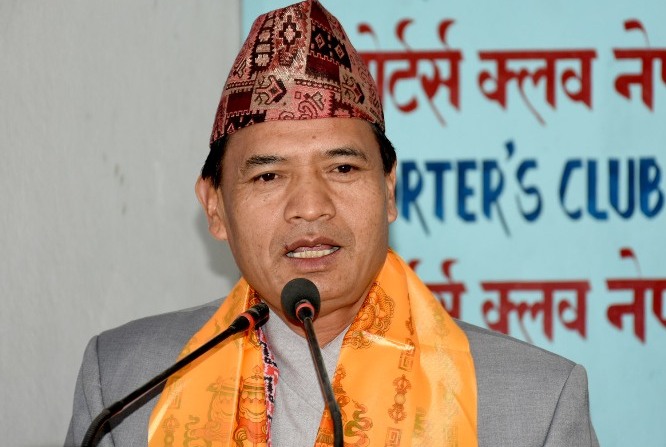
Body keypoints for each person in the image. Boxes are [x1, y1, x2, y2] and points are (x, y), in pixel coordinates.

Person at [65, 1, 599, 446]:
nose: (310, 206)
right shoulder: (127, 385)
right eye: (269, 176)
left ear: (388, 190)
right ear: (215, 207)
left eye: (342, 168)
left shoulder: (534, 403)